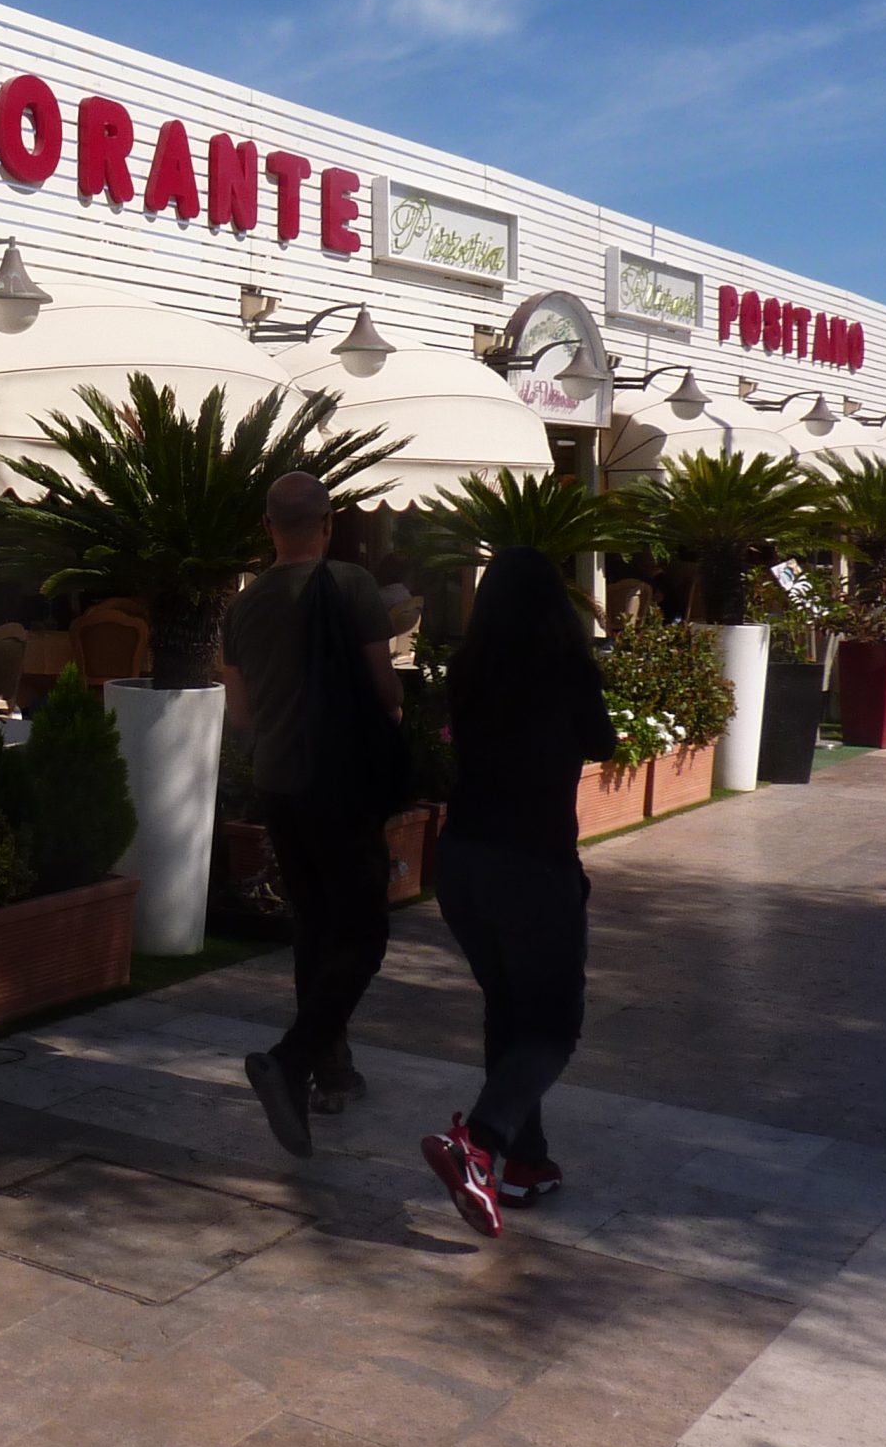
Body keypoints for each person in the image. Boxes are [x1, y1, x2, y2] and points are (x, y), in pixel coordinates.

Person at [419, 547, 617, 1238]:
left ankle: (525, 1163)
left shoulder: (468, 670)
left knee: (508, 1010)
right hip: (533, 866)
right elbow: (604, 743)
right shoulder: (566, 670)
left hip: (462, 862)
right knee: (554, 1026)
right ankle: (478, 1144)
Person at [227, 471, 404, 1158]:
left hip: (279, 784)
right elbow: (385, 689)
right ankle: (295, 1060)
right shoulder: (353, 585)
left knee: (313, 926)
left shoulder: (242, 607)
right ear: (328, 523)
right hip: (343, 782)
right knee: (363, 932)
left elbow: (241, 714)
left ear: (267, 527)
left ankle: (330, 1073)